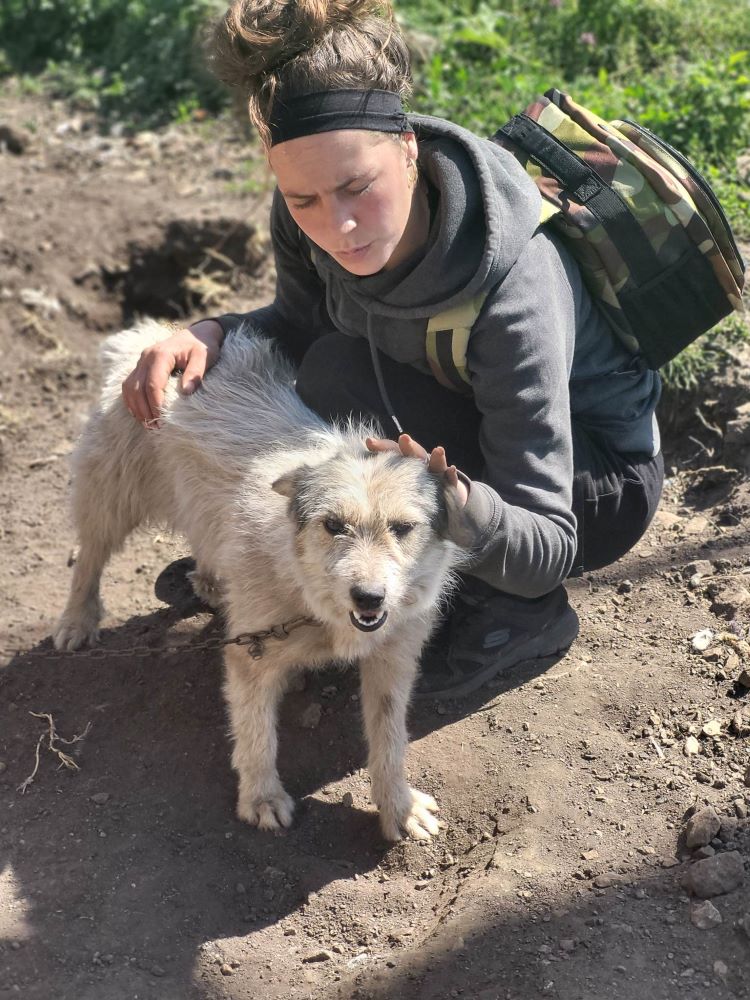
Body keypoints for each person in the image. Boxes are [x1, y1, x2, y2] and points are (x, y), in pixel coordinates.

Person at [122, 0, 663, 699]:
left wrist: (456, 505)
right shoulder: (306, 213)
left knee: (341, 381)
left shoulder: (514, 289)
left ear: (408, 149)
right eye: (304, 198)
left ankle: (515, 618)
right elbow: (299, 325)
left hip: (587, 485)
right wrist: (212, 331)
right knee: (328, 369)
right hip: (441, 409)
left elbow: (549, 541)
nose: (337, 226)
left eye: (357, 186)